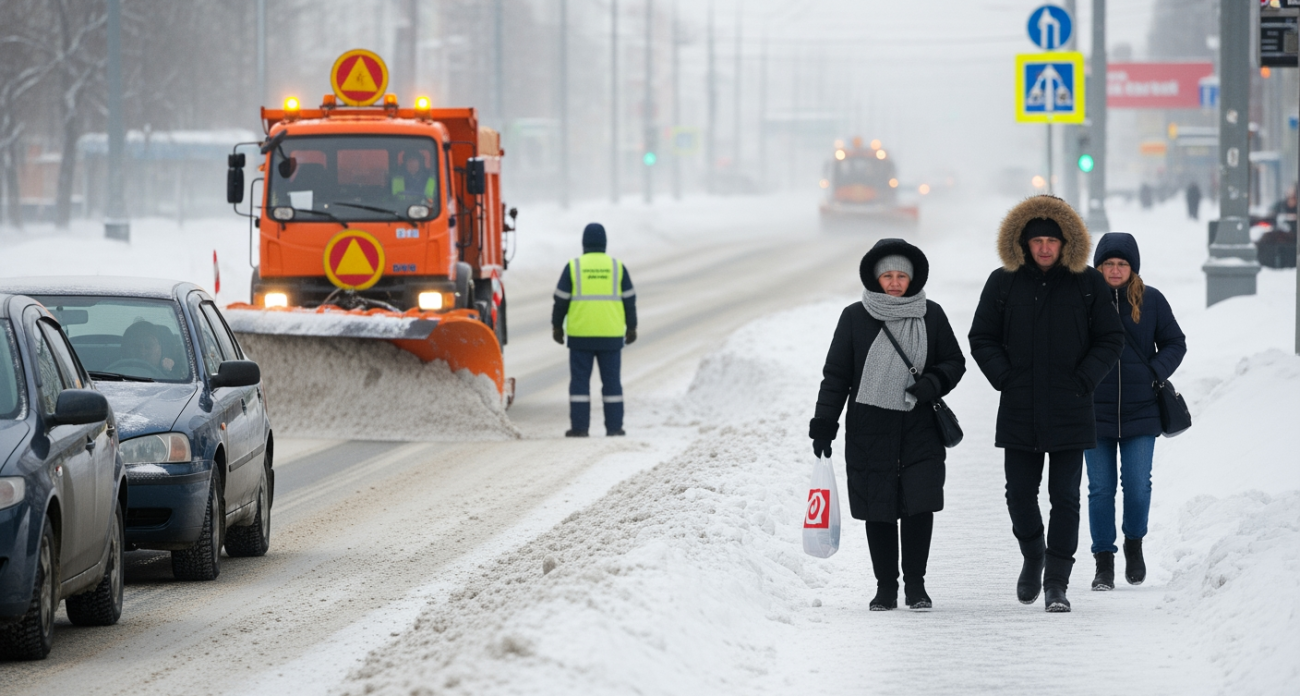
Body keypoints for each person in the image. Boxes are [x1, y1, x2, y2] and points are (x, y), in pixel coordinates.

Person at [968, 195, 1124, 613]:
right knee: (1018, 494)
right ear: (1023, 241)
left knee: (1065, 498)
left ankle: (1057, 582)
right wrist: (1005, 377)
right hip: (1020, 406)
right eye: (1036, 240)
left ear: (1065, 243)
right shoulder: (1003, 281)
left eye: (1051, 241)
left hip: (1071, 406)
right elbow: (981, 337)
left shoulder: (1087, 283)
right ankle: (1033, 553)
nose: (1043, 248)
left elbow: (1110, 339)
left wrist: (1085, 379)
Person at [809, 239, 966, 611]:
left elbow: (954, 362)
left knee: (918, 505)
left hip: (920, 423)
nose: (895, 283)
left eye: (901, 276)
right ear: (875, 278)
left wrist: (933, 383)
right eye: (887, 276)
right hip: (869, 426)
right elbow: (836, 376)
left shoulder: (932, 314)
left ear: (911, 279)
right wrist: (823, 423)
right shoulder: (854, 317)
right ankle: (885, 588)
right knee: (878, 509)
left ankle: (916, 586)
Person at [1086, 233, 1186, 591]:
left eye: (1122, 264)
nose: (1115, 270)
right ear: (1098, 267)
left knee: (1138, 486)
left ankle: (1134, 544)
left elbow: (1176, 342)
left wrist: (1153, 372)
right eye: (1108, 264)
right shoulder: (1083, 299)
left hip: (1141, 411)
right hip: (1093, 412)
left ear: (1132, 268)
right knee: (1100, 489)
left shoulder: (1151, 300)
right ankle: (1103, 562)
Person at [552, 223, 637, 437]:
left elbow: (560, 300)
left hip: (581, 337)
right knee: (612, 384)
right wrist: (632, 326)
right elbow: (629, 300)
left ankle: (580, 428)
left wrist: (557, 326)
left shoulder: (574, 267)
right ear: (604, 243)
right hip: (611, 336)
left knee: (580, 384)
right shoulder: (617, 267)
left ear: (584, 243)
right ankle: (614, 428)